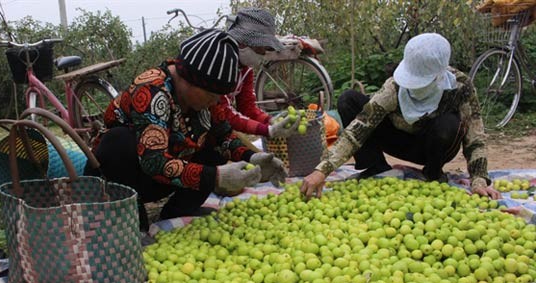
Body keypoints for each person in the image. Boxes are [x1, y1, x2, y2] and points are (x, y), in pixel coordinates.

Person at [85, 29, 285, 230]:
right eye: (212, 94)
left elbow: (224, 135)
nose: (215, 101)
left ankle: (176, 215)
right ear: (190, 80)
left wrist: (253, 158)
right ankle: (130, 223)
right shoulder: (152, 91)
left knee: (214, 149)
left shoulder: (208, 98)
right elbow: (153, 161)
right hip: (126, 176)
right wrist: (214, 177)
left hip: (168, 175)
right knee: (118, 142)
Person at [300, 33, 501, 200]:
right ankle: (375, 167)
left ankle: (433, 173)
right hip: (399, 140)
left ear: (439, 75)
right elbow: (358, 129)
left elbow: (475, 137)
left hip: (435, 146)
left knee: (448, 123)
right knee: (348, 99)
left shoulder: (460, 87)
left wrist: (479, 180)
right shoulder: (394, 88)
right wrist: (322, 169)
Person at [211, 7, 298, 141]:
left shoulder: (245, 69)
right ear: (244, 42)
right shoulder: (219, 62)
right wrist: (267, 130)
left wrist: (270, 120)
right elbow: (223, 113)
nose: (264, 52)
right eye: (263, 46)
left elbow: (248, 108)